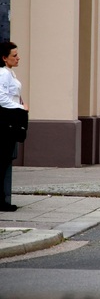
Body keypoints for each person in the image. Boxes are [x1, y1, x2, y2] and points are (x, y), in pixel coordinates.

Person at [0, 41, 28, 212]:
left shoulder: (10, 73)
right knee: (2, 160)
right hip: (5, 122)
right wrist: (21, 107)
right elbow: (1, 98)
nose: (18, 58)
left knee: (4, 160)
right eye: (14, 55)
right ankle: (1, 201)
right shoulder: (3, 74)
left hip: (11, 120)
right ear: (4, 58)